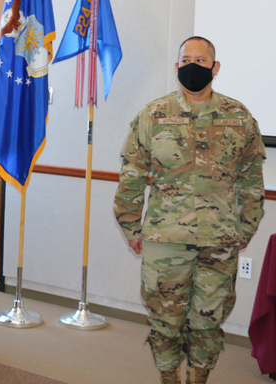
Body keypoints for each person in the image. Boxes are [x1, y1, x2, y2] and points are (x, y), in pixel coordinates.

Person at [114, 36, 265, 384]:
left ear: (215, 67)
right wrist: (132, 228)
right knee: (164, 322)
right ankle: (169, 379)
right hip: (165, 239)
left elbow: (251, 179)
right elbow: (132, 176)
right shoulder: (153, 114)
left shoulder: (239, 116)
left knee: (208, 322)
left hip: (220, 239)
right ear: (176, 66)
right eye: (185, 61)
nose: (192, 66)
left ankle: (198, 379)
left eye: (200, 60)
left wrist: (246, 227)